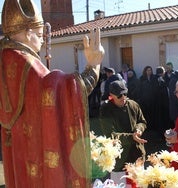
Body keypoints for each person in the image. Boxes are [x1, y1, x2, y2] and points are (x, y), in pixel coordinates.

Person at [0, 0, 104, 187]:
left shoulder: (5, 60)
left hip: (19, 152)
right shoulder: (26, 62)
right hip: (38, 156)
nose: (42, 40)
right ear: (28, 32)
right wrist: (93, 66)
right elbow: (59, 91)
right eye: (39, 35)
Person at [99, 80, 147, 186]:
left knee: (139, 184)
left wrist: (139, 129)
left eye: (125, 93)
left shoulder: (133, 104)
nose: (123, 97)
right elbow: (110, 135)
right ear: (111, 95)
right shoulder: (106, 110)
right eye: (119, 95)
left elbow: (142, 121)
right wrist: (132, 137)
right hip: (120, 159)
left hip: (137, 154)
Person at [139, 66, 157, 130]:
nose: (149, 72)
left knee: (152, 113)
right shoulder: (142, 78)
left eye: (150, 70)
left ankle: (152, 126)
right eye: (148, 70)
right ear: (145, 71)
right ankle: (146, 126)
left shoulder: (154, 78)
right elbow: (140, 89)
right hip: (145, 99)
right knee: (146, 113)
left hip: (152, 99)